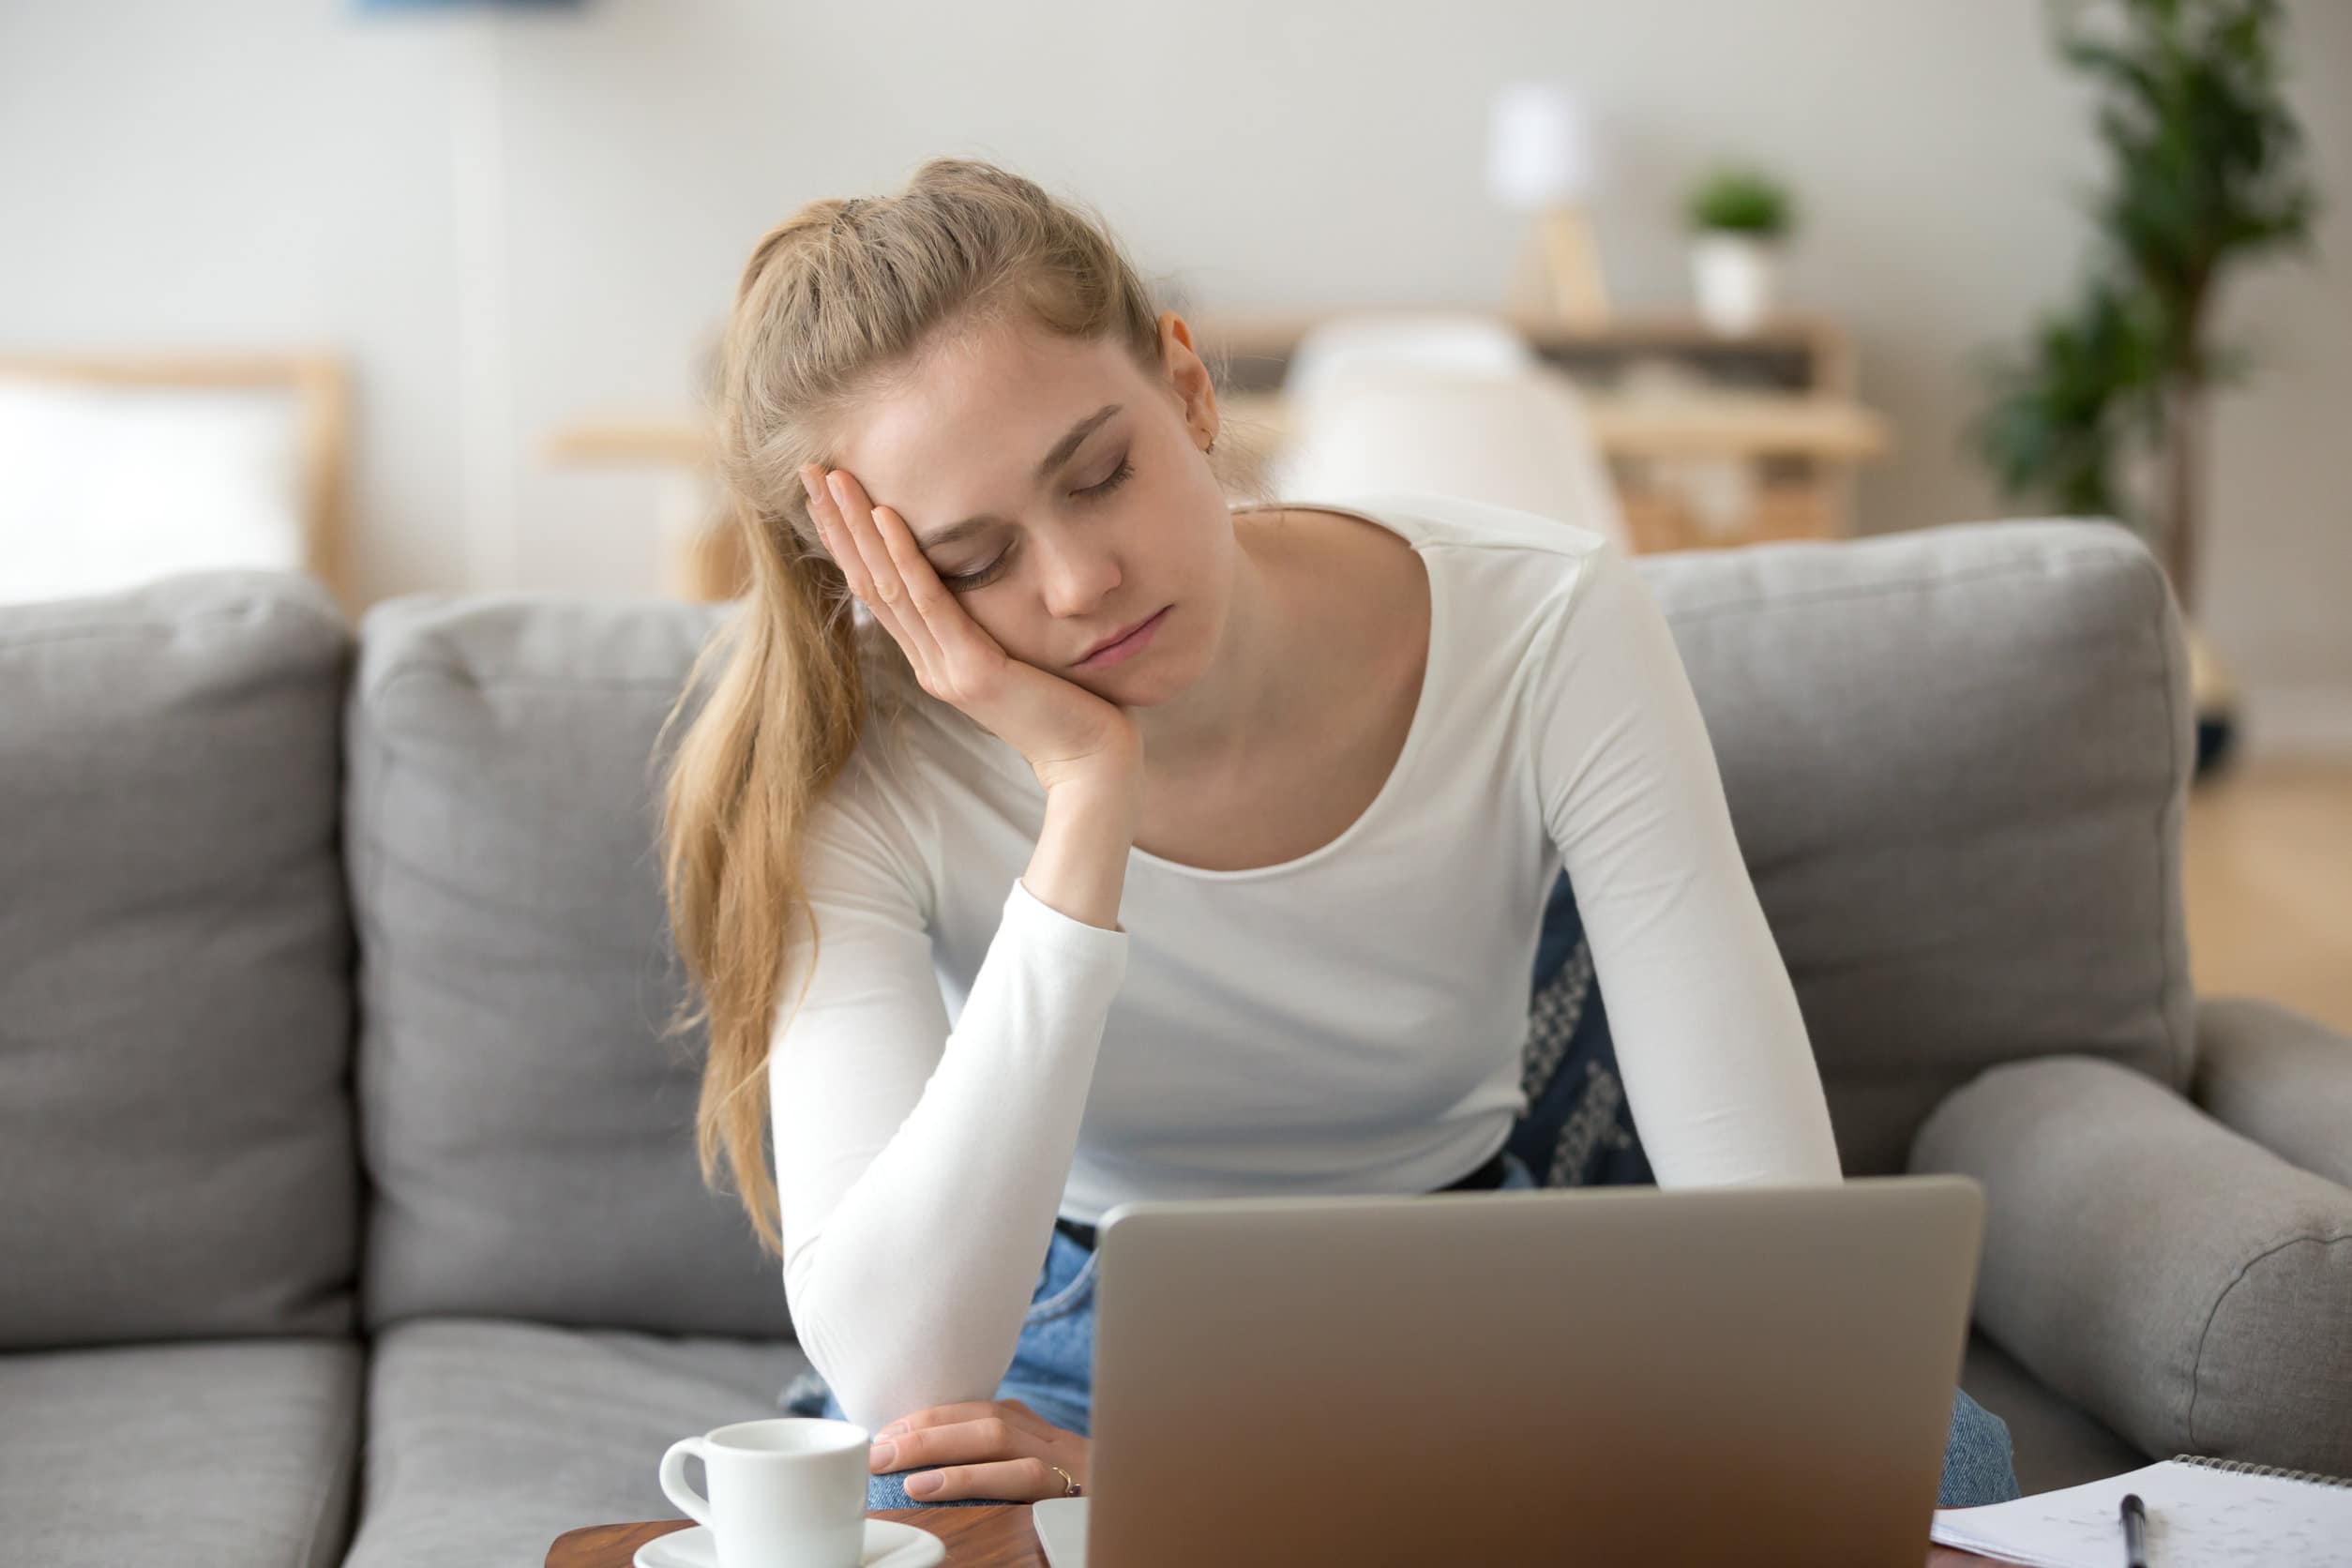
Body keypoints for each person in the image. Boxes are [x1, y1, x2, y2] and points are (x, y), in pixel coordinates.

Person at [655, 156, 2022, 1515]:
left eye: (1100, 474)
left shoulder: (1544, 622)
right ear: (884, 587)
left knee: (1930, 1450)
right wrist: (1085, 797)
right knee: (895, 1508)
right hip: (1076, 1337)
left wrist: (1189, 1489)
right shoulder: (860, 767)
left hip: (1477, 1302)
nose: (1080, 583)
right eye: (972, 565)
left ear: (1187, 390)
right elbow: (904, 1376)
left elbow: (1776, 1254)